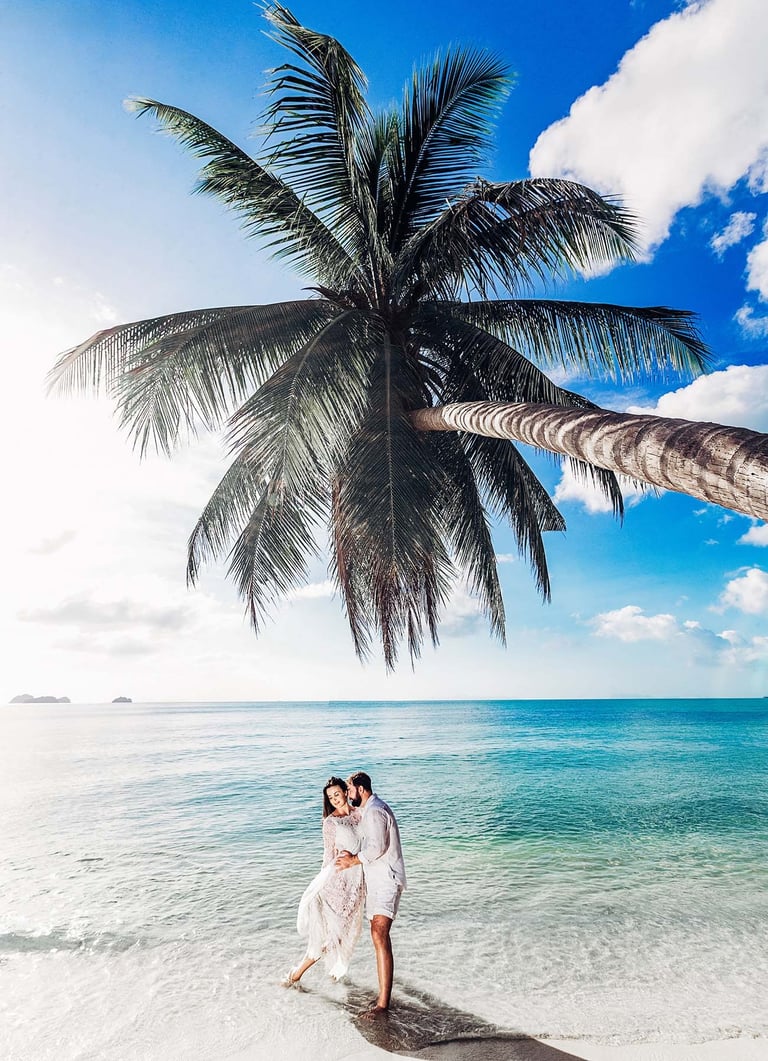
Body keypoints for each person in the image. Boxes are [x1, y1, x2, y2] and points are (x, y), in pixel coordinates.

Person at [335, 771, 406, 1018]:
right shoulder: (368, 811)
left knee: (379, 933)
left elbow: (377, 848)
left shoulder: (375, 811)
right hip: (376, 881)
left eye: (349, 789)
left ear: (361, 789)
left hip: (387, 879)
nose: (347, 794)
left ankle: (383, 1005)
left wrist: (352, 861)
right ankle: (383, 996)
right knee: (377, 935)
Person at [282, 776, 365, 985]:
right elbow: (328, 857)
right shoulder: (330, 823)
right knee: (334, 935)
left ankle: (332, 975)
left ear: (345, 791)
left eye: (337, 794)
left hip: (357, 883)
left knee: (344, 934)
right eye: (330, 797)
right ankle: (297, 974)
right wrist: (322, 884)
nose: (335, 799)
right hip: (338, 884)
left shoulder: (360, 813)